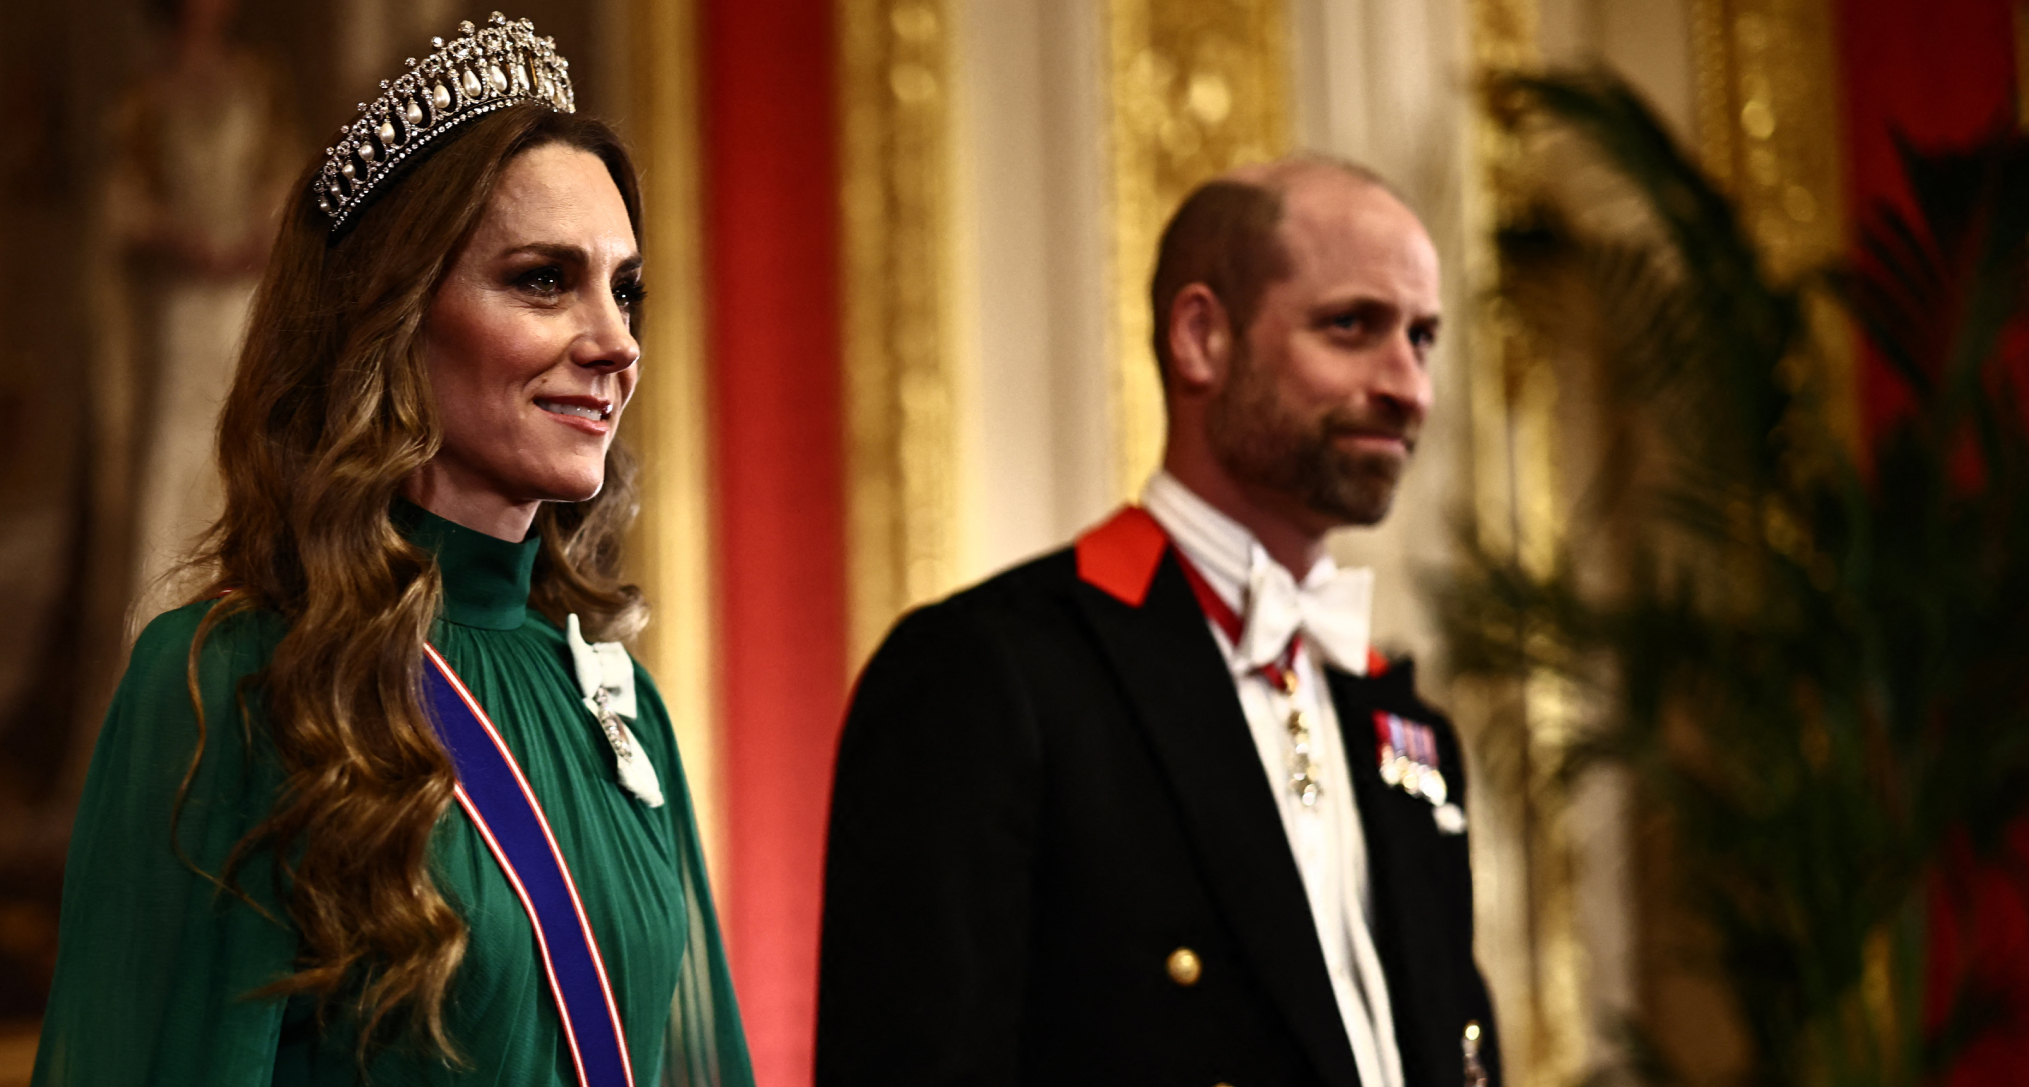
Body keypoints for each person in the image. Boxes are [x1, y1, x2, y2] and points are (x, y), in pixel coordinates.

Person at [34, 15, 751, 1087]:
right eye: (545, 280)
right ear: (394, 314)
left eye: (625, 287)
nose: (615, 342)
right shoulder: (230, 684)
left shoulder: (617, 707)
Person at [817, 157, 1501, 1087]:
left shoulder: (1404, 723)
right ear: (1201, 338)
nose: (1408, 386)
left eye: (1421, 339)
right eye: (1352, 326)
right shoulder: (988, 674)